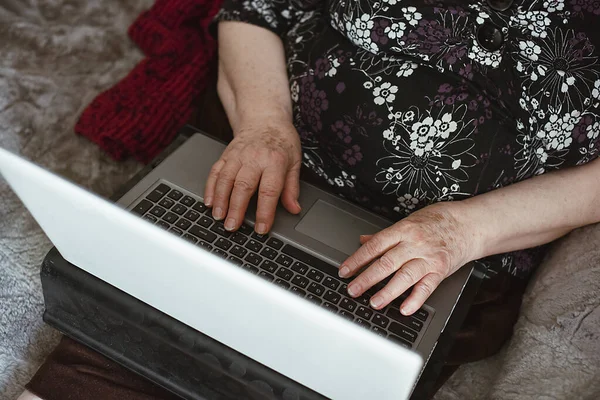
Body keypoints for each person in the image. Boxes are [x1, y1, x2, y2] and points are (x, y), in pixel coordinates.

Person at [21, 0, 600, 399]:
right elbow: (254, 9)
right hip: (269, 173)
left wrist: (466, 229)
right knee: (129, 332)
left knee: (303, 378)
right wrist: (264, 124)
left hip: (442, 252)